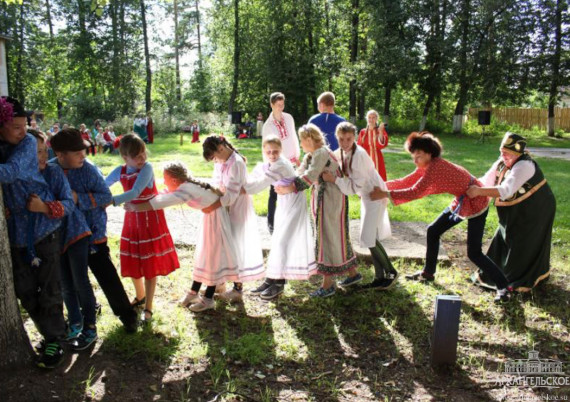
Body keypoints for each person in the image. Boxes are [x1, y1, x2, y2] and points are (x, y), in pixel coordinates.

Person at [369, 131, 512, 303]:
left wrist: (384, 193)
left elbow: (415, 191)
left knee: (474, 253)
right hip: (462, 199)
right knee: (433, 230)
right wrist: (382, 186)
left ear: (429, 153)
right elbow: (407, 180)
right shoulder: (429, 165)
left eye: (418, 157)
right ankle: (428, 273)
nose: (415, 161)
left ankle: (504, 287)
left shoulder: (435, 168)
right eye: (413, 157)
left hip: (475, 201)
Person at [0, 97, 67, 368]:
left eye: (23, 125)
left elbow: (10, 173)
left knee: (50, 288)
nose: (22, 130)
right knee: (25, 290)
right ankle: (50, 332)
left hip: (44, 229)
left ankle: (54, 341)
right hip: (17, 235)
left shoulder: (27, 143)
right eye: (15, 126)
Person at [50, 129, 138, 333]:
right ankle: (86, 311)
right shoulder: (51, 169)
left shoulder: (88, 169)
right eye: (77, 152)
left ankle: (127, 315)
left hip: (93, 233)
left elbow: (106, 197)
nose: (83, 155)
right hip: (65, 236)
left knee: (105, 274)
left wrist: (77, 198)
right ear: (60, 155)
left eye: (83, 150)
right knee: (73, 278)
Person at [126, 162, 239, 312]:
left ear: (174, 180)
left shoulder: (186, 190)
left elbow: (163, 201)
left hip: (217, 221)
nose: (163, 181)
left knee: (212, 258)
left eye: (165, 178)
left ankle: (208, 299)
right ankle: (194, 292)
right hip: (211, 218)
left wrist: (136, 207)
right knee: (204, 255)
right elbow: (165, 193)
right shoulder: (185, 185)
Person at [29, 130, 99, 350]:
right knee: (66, 284)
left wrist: (44, 207)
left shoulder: (54, 172)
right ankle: (76, 323)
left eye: (42, 151)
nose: (41, 156)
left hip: (75, 232)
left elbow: (69, 204)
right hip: (55, 238)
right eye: (35, 152)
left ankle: (90, 327)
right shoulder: (31, 173)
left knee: (80, 281)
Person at [275, 124, 359, 297]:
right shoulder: (313, 154)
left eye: (301, 140)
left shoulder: (321, 153)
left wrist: (289, 189)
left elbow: (309, 177)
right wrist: (286, 178)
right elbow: (300, 172)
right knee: (335, 233)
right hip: (325, 196)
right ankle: (353, 274)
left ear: (309, 139)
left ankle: (328, 285)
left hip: (330, 197)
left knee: (326, 235)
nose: (301, 143)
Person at [466, 132, 556, 292]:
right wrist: (469, 185)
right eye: (501, 151)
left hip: (537, 209)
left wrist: (479, 192)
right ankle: (497, 274)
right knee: (505, 235)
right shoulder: (502, 163)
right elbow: (486, 179)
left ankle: (519, 279)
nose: (503, 155)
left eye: (507, 153)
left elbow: (505, 190)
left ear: (517, 153)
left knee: (523, 242)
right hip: (515, 209)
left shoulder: (525, 166)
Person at [105, 134, 180, 323]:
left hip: (149, 218)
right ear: (125, 158)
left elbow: (135, 192)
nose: (142, 159)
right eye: (137, 156)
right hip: (132, 220)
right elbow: (104, 184)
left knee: (149, 263)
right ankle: (140, 296)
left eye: (143, 154)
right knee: (133, 258)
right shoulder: (120, 170)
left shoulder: (146, 168)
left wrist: (111, 201)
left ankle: (149, 306)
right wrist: (98, 192)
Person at [322, 122, 398, 290]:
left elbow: (353, 188)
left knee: (368, 237)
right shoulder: (342, 151)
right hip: (367, 197)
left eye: (348, 139)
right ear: (337, 137)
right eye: (341, 139)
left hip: (375, 195)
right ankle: (379, 277)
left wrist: (333, 179)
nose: (345, 143)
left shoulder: (359, 156)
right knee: (369, 237)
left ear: (354, 137)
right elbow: (331, 158)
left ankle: (391, 273)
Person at [244, 136, 317, 300]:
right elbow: (255, 174)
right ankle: (271, 279)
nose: (272, 154)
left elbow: (257, 186)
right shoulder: (270, 163)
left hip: (294, 203)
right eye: (268, 151)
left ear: (281, 150)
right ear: (264, 151)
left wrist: (239, 188)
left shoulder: (281, 165)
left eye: (275, 151)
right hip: (284, 203)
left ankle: (279, 283)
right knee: (277, 240)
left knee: (283, 241)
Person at [201, 135, 265, 302]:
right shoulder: (221, 161)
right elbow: (217, 182)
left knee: (235, 244)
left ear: (221, 149)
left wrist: (213, 205)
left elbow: (231, 195)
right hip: (223, 204)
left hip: (236, 207)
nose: (216, 161)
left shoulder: (236, 163)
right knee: (222, 244)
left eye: (215, 156)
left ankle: (238, 288)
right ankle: (220, 282)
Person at [261, 92, 301, 234]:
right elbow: (267, 147)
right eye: (278, 105)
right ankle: (271, 223)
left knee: (291, 190)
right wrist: (272, 164)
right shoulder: (268, 125)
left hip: (292, 160)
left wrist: (297, 155)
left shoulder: (289, 118)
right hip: (278, 162)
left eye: (282, 104)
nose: (281, 107)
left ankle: (288, 221)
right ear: (272, 105)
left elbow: (294, 137)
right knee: (274, 193)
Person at [357, 110, 389, 181]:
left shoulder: (380, 130)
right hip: (365, 158)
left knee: (378, 180)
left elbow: (381, 145)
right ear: (367, 118)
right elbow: (358, 147)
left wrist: (380, 132)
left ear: (377, 119)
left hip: (377, 158)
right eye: (369, 117)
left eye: (373, 117)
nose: (371, 119)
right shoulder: (363, 132)